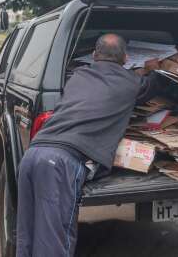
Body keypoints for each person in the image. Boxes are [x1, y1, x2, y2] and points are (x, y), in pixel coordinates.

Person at [16, 33, 161, 257]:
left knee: (28, 235)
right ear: (125, 57)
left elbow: (111, 78)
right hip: (62, 162)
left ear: (94, 55)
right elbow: (152, 85)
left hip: (33, 154)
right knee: (54, 241)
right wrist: (152, 69)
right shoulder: (131, 83)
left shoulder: (77, 75)